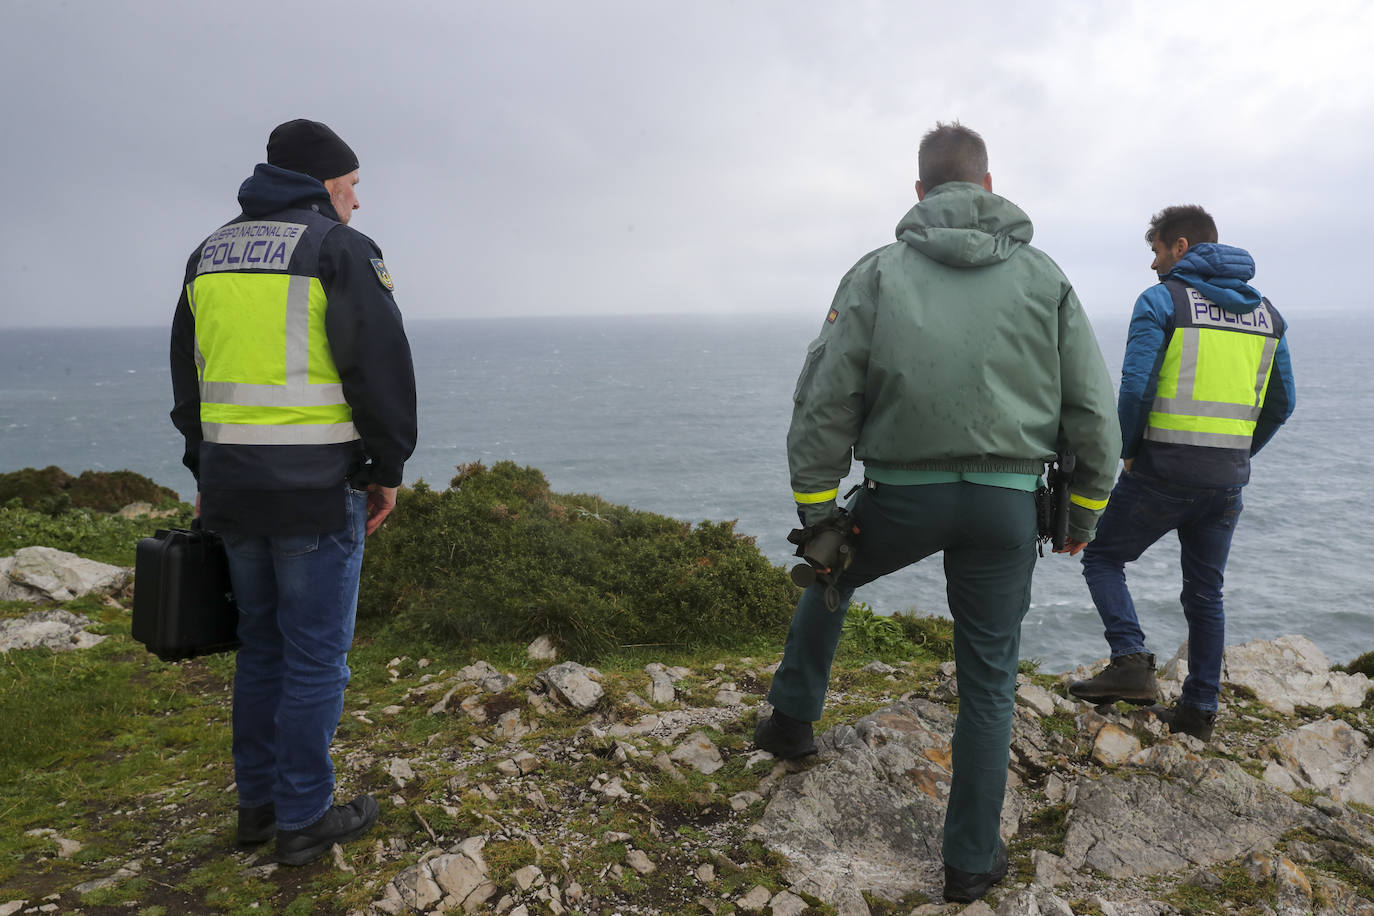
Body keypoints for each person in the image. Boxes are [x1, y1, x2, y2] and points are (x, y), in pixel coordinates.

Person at [754, 122, 1120, 904]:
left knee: (832, 573)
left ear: (920, 194)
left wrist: (821, 512)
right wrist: (1082, 517)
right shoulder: (1044, 276)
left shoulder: (878, 273)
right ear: (990, 186)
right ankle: (969, 865)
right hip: (1006, 506)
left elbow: (824, 401)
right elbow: (1093, 411)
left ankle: (791, 720)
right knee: (988, 684)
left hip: (901, 499)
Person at [170, 119, 418, 866]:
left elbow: (190, 383)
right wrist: (388, 470)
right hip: (315, 489)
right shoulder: (338, 250)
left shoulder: (208, 253)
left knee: (263, 650)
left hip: (234, 489)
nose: (358, 202)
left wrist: (203, 475)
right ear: (322, 185)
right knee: (315, 659)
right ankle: (304, 819)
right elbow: (378, 370)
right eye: (352, 186)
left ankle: (259, 808)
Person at [1069, 205, 1295, 741]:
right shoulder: (1268, 314)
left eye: (1156, 251)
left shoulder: (1161, 300)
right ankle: (1198, 712)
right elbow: (1283, 404)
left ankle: (1129, 660)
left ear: (1181, 246)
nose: (1153, 265)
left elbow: (1135, 388)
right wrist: (1237, 452)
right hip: (1225, 483)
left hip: (1160, 472)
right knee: (1205, 593)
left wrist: (1124, 451)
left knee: (1102, 557)